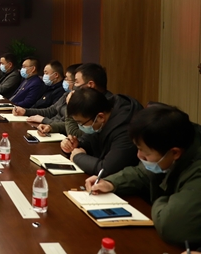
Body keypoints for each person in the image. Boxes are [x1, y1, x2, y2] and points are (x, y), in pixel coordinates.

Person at [86, 105, 201, 248]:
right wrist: (111, 183)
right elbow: (142, 172)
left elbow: (170, 225)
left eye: (145, 152)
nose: (139, 156)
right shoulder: (169, 150)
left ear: (175, 153)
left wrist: (161, 200)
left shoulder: (197, 171)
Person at [62, 87, 141, 176]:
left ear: (100, 117)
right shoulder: (105, 112)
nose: (80, 126)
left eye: (81, 123)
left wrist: (78, 157)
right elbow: (94, 137)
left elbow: (106, 169)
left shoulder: (126, 130)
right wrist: (77, 144)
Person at [40, 63, 115, 137]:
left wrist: (71, 104)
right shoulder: (88, 99)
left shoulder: (105, 104)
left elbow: (75, 134)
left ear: (90, 85)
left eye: (76, 82)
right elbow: (77, 124)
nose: (74, 85)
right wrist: (51, 127)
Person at [13, 63, 80, 128]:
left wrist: (44, 120)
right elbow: (50, 110)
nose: (64, 81)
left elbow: (66, 125)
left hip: (53, 128)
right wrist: (25, 111)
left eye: (67, 79)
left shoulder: (64, 93)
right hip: (48, 126)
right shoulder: (65, 93)